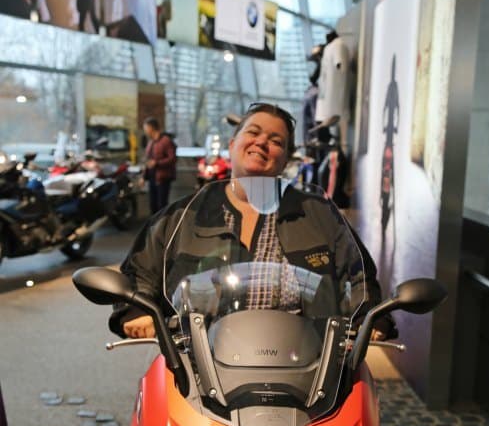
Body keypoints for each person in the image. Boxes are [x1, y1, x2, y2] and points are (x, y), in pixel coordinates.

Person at [110, 103, 395, 342]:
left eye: (276, 141)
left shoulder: (320, 215)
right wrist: (137, 312)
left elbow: (359, 277)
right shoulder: (181, 217)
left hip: (304, 368)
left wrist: (370, 318)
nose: (262, 142)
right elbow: (139, 273)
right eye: (254, 132)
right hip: (197, 368)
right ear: (233, 145)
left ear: (285, 160)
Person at [142, 117, 177, 215]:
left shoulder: (166, 141)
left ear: (151, 128)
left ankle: (163, 228)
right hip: (152, 178)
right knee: (153, 205)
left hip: (163, 178)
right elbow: (148, 160)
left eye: (145, 127)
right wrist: (143, 177)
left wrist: (157, 163)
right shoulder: (151, 142)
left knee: (162, 206)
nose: (144, 130)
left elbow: (173, 158)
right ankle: (154, 228)